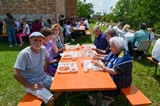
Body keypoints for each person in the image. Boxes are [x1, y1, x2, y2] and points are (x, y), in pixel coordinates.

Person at [13, 32, 61, 106]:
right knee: (51, 100)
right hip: (32, 82)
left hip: (43, 77)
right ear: (30, 40)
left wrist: (47, 71)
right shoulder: (24, 54)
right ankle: (47, 99)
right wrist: (30, 86)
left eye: (40, 40)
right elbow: (16, 74)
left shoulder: (43, 49)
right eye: (35, 40)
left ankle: (46, 97)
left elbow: (47, 58)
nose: (38, 43)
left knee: (62, 86)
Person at [92, 37, 132, 104]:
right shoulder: (119, 52)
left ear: (117, 47)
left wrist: (102, 67)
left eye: (111, 47)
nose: (110, 48)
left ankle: (105, 98)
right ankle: (97, 94)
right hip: (117, 77)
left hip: (121, 81)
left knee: (99, 81)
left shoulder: (124, 57)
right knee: (97, 76)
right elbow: (109, 60)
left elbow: (114, 72)